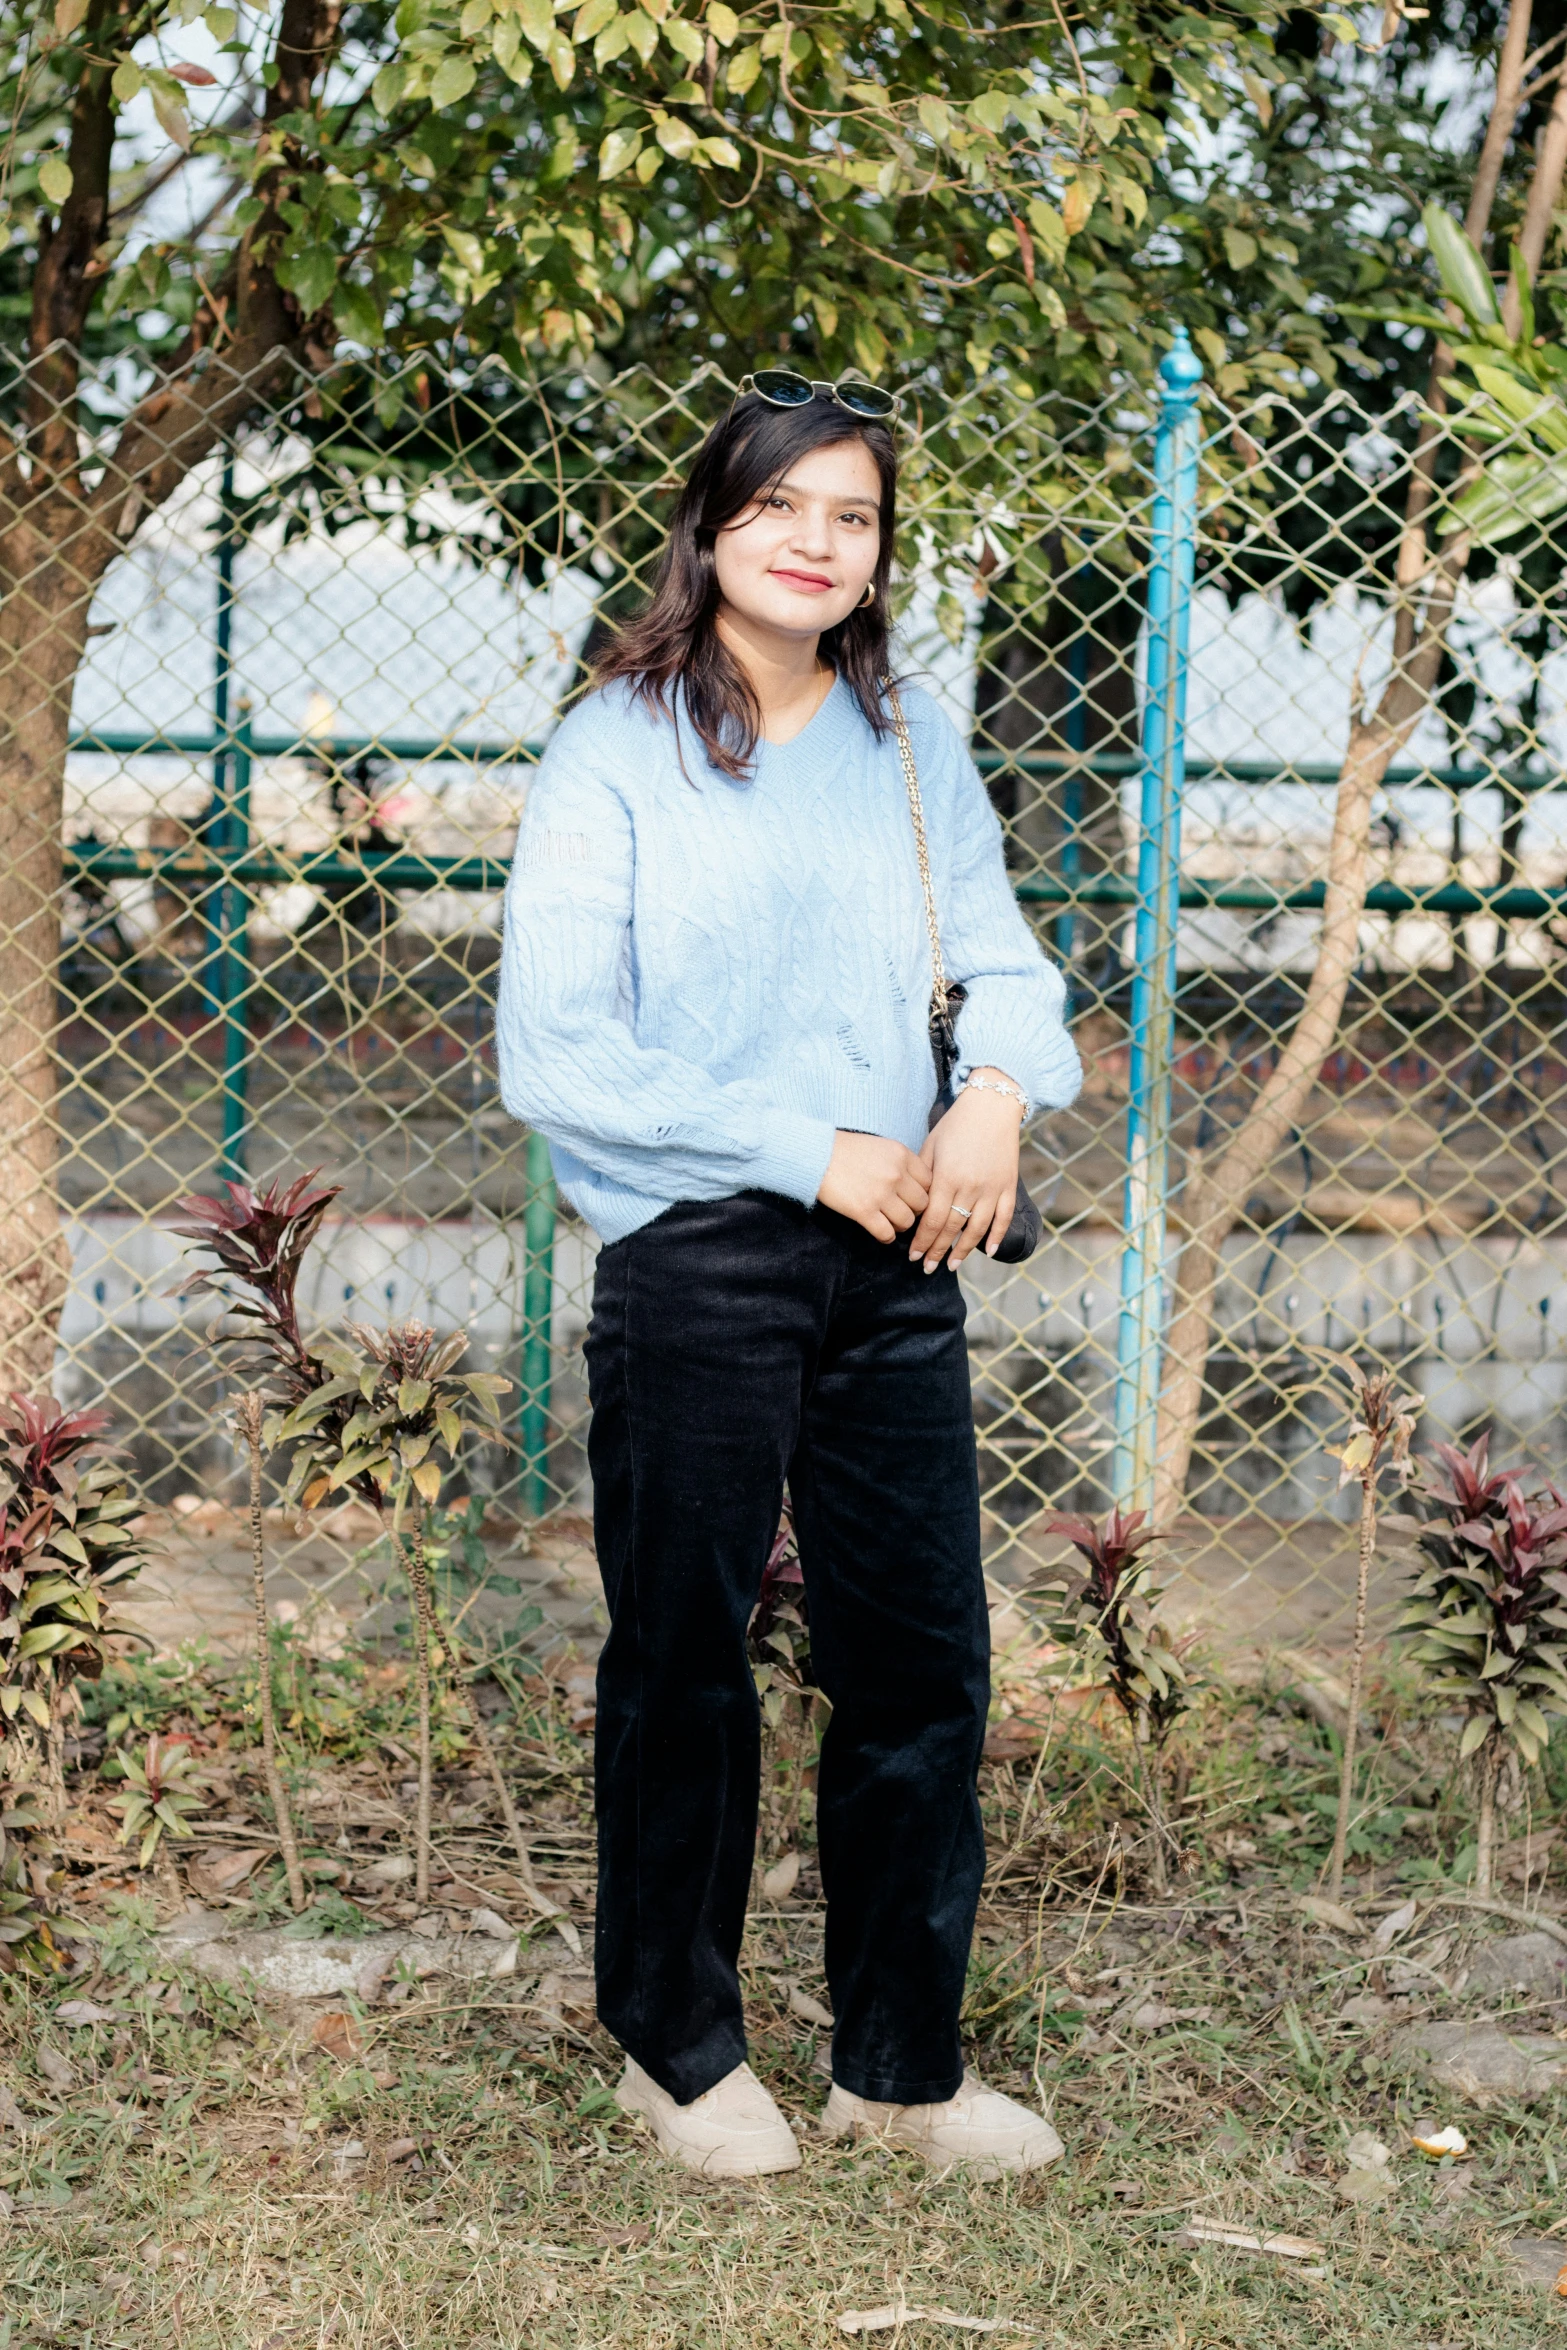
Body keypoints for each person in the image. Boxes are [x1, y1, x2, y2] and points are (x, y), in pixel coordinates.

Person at [496, 372, 1081, 2180]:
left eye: (854, 516)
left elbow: (996, 958)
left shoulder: (909, 744)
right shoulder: (613, 749)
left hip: (900, 1255)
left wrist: (991, 1089)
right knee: (687, 1658)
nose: (817, 543)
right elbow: (554, 1055)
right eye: (781, 508)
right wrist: (800, 1142)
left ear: (879, 550)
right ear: (712, 524)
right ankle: (674, 2050)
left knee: (920, 1665)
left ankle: (897, 2070)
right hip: (701, 1259)